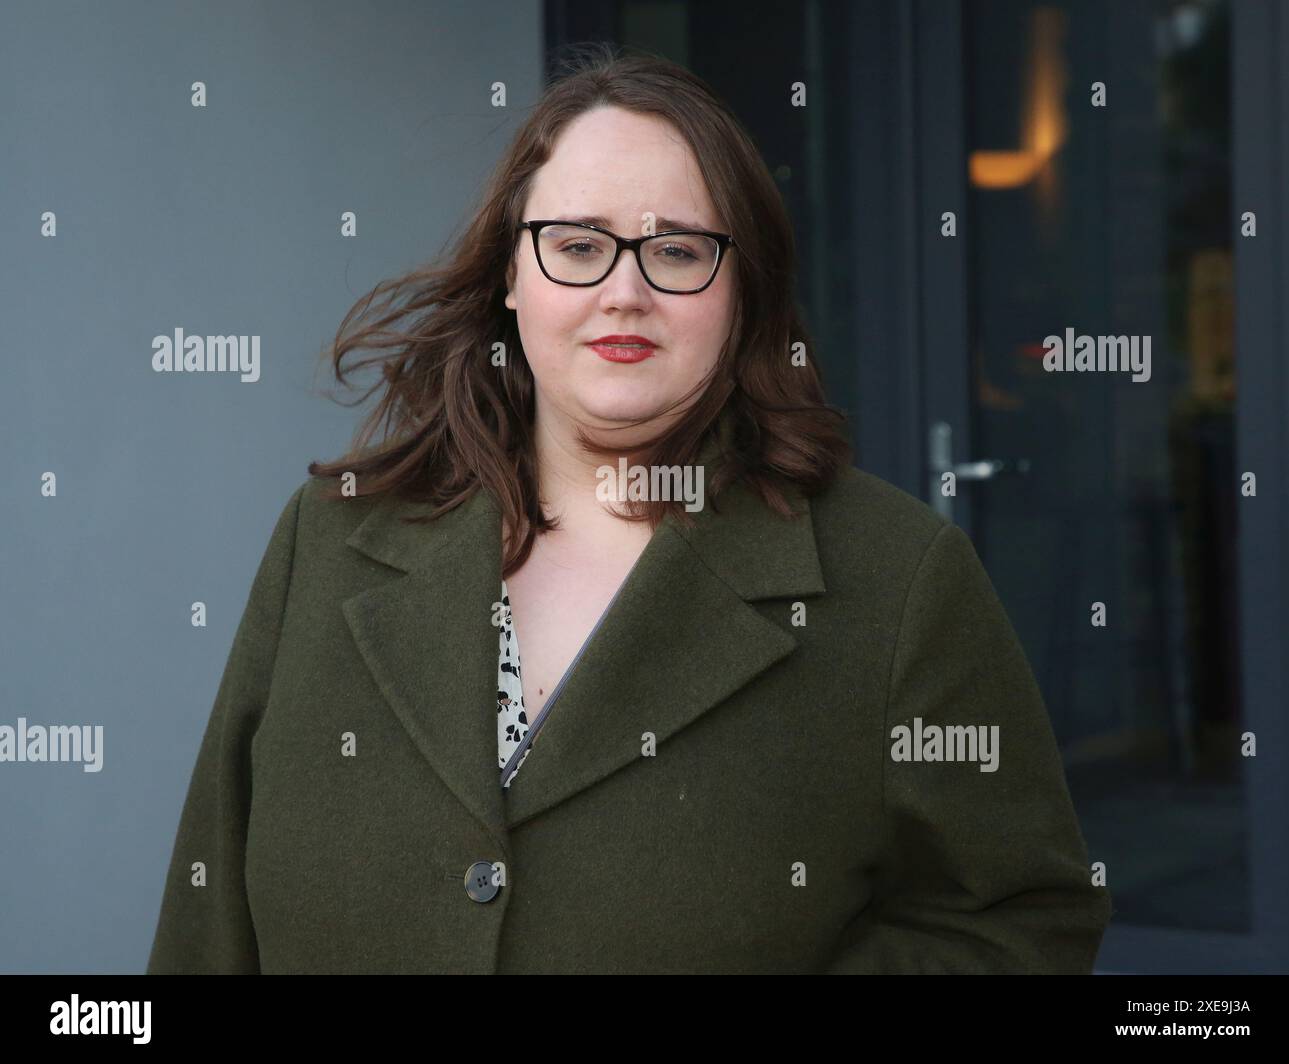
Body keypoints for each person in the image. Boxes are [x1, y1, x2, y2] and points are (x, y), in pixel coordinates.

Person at [147, 44, 1111, 974]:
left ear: (743, 292)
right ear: (510, 279)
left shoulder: (895, 579)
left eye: (679, 250)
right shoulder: (333, 535)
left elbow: (1019, 922)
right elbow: (209, 913)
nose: (624, 292)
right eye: (576, 246)